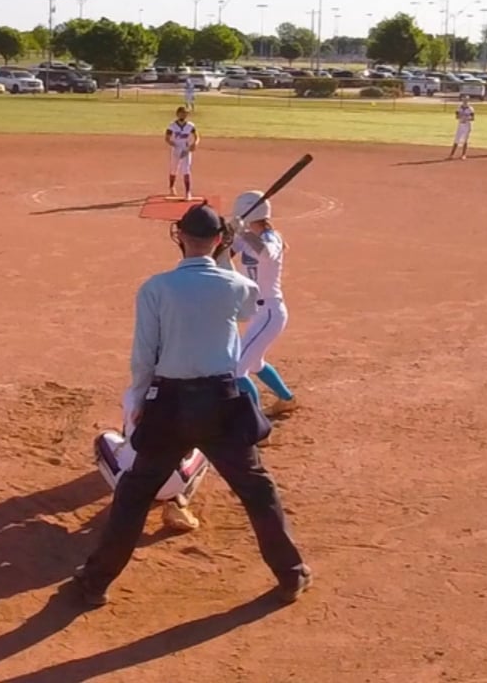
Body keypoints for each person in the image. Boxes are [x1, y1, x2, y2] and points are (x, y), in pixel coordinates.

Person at [71, 203, 310, 609]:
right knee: (258, 489)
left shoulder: (155, 288)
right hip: (222, 403)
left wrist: (138, 400)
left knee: (134, 494)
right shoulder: (235, 286)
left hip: (168, 403)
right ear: (219, 239)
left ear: (179, 236)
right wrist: (226, 251)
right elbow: (249, 303)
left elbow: (143, 355)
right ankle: (291, 574)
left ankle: (94, 583)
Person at [94, 385, 209, 533]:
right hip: (173, 483)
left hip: (134, 480)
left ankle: (127, 507)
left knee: (103, 439)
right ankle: (178, 503)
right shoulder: (194, 400)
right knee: (205, 447)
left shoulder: (133, 394)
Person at [228, 189, 296, 413]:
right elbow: (224, 253)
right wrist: (226, 233)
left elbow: (266, 253)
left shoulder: (271, 238)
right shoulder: (245, 237)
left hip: (270, 312)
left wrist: (242, 232)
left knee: (237, 370)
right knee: (255, 363)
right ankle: (287, 399)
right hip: (258, 313)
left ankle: (256, 423)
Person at [165, 106, 199, 199]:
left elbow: (196, 137)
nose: (183, 115)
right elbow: (167, 138)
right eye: (181, 113)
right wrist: (172, 143)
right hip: (176, 149)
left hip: (186, 149)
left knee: (186, 170)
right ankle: (172, 187)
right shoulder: (172, 126)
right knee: (174, 169)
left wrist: (195, 144)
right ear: (177, 114)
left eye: (185, 113)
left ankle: (188, 192)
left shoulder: (190, 125)